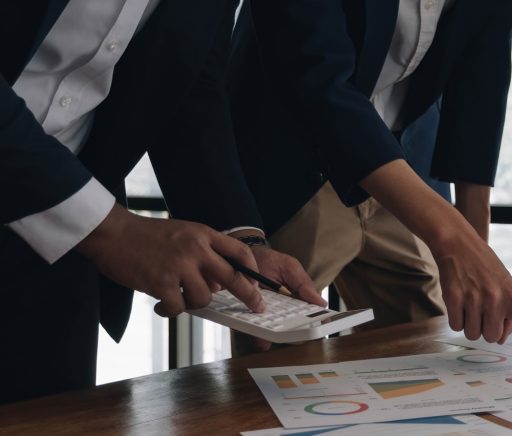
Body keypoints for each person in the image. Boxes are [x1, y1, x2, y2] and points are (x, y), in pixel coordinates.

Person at [1, 0, 322, 404]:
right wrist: (115, 230)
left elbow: (191, 78)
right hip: (93, 226)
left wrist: (240, 241)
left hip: (67, 249)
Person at [226, 0, 512, 367]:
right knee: (279, 353)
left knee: (432, 342)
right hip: (290, 151)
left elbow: (478, 88)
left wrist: (481, 262)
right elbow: (314, 73)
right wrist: (452, 238)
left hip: (403, 160)